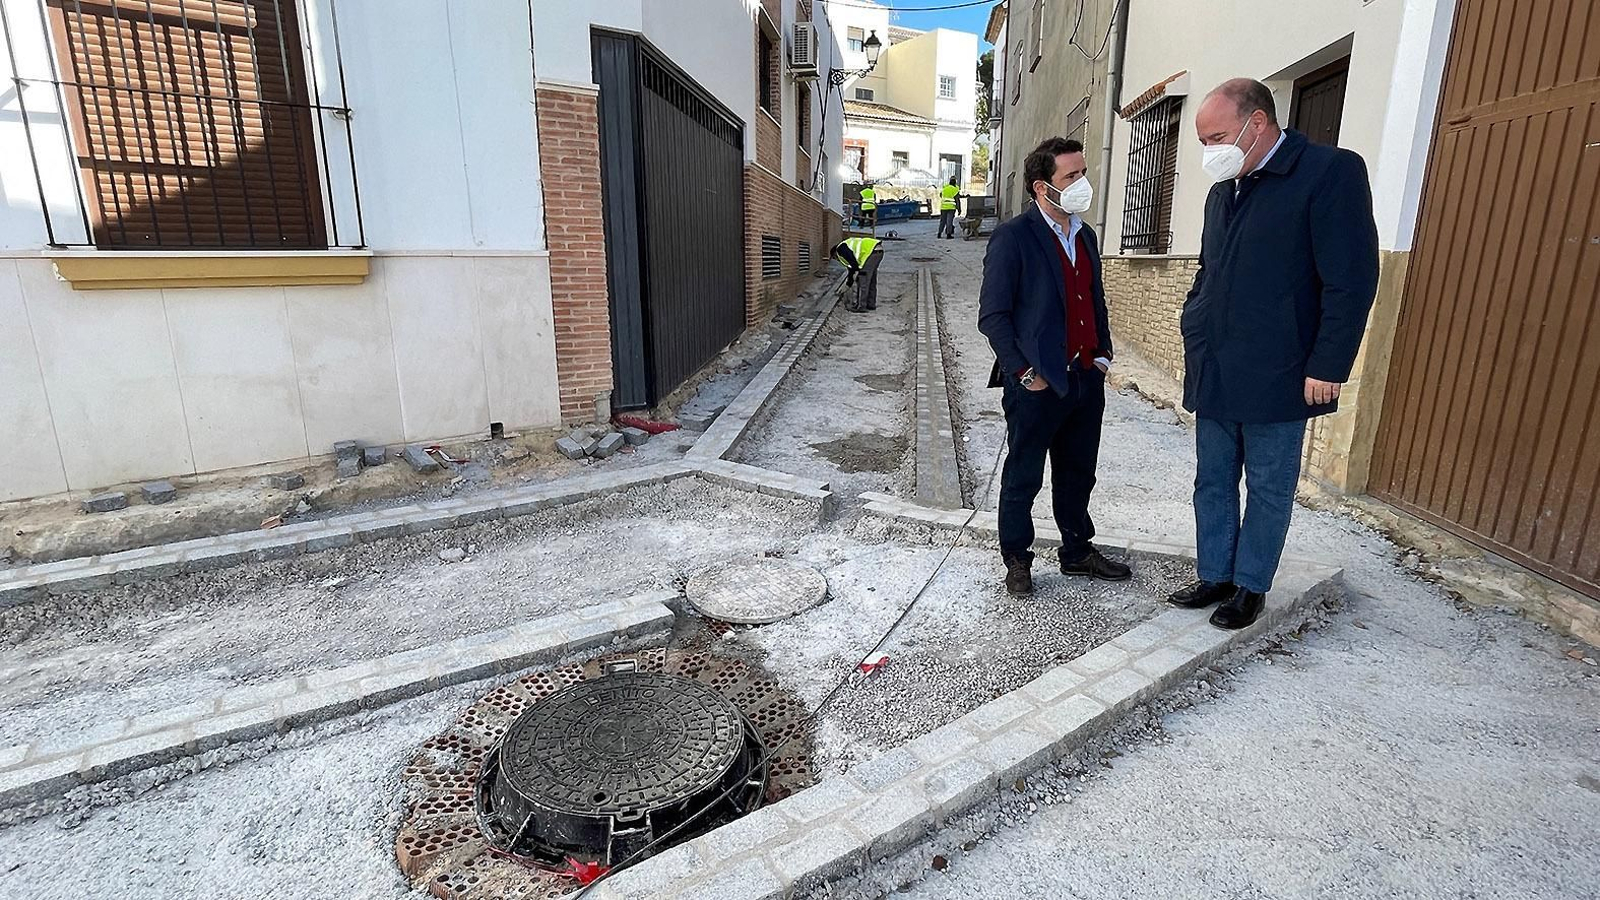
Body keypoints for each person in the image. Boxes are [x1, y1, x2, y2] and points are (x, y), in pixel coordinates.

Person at [1168, 78, 1378, 629]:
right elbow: (1209, 271)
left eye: (1216, 136)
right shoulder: (1224, 190)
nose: (1209, 151)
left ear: (1256, 123)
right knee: (1211, 479)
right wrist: (1195, 319)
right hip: (1215, 363)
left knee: (1267, 485)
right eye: (1203, 141)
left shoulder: (1330, 173)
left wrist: (1328, 364)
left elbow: (1351, 280)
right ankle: (1215, 572)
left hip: (1280, 369)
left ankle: (1250, 585)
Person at [978, 137, 1132, 595]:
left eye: (1083, 172)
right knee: (1024, 473)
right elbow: (993, 316)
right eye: (1072, 176)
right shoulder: (1014, 237)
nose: (1083, 183)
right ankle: (1017, 559)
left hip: (1086, 378)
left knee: (1079, 471)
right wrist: (1024, 373)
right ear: (1043, 188)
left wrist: (1102, 354)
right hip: (1037, 383)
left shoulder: (1085, 236)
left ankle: (1077, 552)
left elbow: (1094, 300)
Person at [831, 235, 883, 312]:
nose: (838, 260)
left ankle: (861, 306)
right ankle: (871, 304)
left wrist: (858, 274)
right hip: (878, 251)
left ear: (835, 253)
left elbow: (854, 264)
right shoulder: (846, 246)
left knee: (862, 281)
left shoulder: (841, 249)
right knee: (871, 280)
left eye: (835, 258)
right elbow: (851, 271)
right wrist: (848, 285)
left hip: (870, 253)